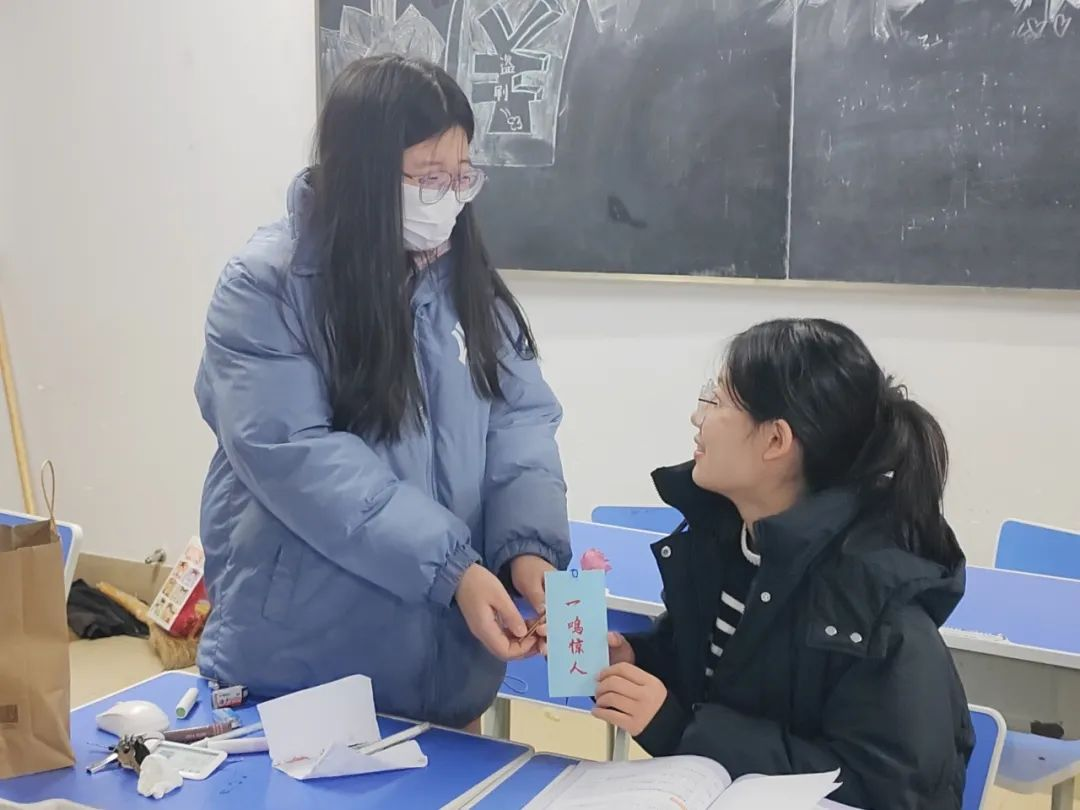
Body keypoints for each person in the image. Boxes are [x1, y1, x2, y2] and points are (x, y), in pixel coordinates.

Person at [194, 55, 569, 730]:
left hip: (447, 670)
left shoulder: (467, 283)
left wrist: (527, 546)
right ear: (363, 172)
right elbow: (298, 457)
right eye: (428, 177)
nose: (448, 197)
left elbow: (520, 423)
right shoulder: (268, 287)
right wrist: (451, 568)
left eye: (461, 176)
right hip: (305, 670)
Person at [592, 318, 973, 810]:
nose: (697, 416)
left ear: (775, 441)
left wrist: (677, 728)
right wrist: (637, 663)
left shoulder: (874, 599)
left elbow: (887, 791)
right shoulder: (729, 543)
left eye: (717, 401)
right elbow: (720, 679)